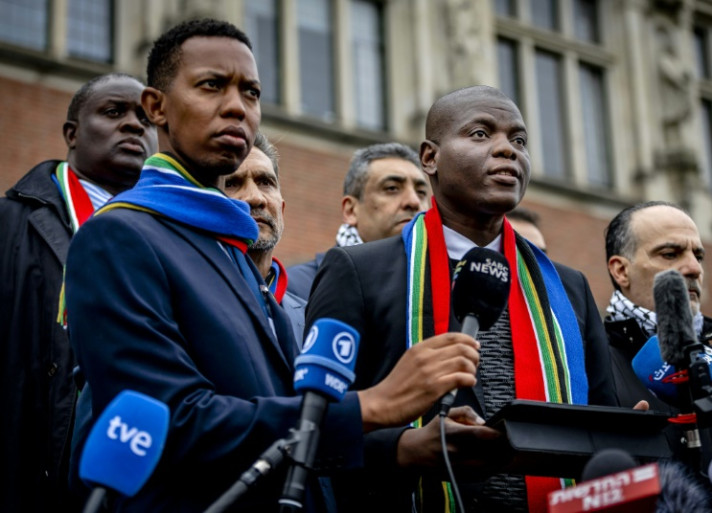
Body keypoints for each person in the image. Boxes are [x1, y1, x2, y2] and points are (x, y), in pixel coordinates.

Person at [64, 19, 481, 512]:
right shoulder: (119, 236)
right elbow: (170, 421)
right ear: (156, 108)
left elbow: (279, 419)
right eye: (212, 85)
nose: (237, 107)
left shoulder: (229, 249)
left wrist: (402, 447)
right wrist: (372, 406)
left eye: (252, 93)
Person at [305, 85, 617, 513]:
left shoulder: (570, 289)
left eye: (519, 140)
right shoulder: (357, 271)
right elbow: (311, 430)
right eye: (480, 134)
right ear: (430, 158)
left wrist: (623, 432)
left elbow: (603, 425)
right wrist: (404, 448)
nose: (507, 150)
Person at [0, 72, 156, 512]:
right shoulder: (9, 224)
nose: (134, 125)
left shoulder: (173, 240)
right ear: (71, 133)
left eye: (145, 118)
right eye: (114, 112)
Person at [604, 201, 712, 411]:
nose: (694, 269)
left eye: (698, 256)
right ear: (621, 271)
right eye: (670, 254)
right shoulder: (588, 367)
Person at [287, 141, 431, 300]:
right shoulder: (295, 289)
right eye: (392, 188)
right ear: (351, 210)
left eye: (421, 192)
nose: (413, 201)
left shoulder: (449, 286)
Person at [221, 131, 306, 342]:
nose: (255, 197)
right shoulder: (185, 297)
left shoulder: (311, 317)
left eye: (265, 182)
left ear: (282, 208)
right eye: (232, 183)